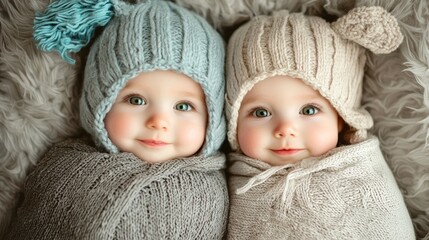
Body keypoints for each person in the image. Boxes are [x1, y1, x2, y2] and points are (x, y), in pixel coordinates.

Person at [6, 0, 228, 239]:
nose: (158, 121)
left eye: (183, 106)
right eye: (136, 100)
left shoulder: (214, 191)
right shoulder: (66, 173)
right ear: (98, 102)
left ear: (213, 119)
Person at [225, 6, 415, 239]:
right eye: (261, 113)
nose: (285, 129)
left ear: (341, 119)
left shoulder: (361, 175)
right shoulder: (236, 184)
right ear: (234, 120)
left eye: (308, 110)